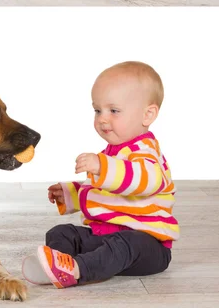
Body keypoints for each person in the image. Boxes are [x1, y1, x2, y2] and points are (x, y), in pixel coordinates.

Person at [22, 61, 179, 288]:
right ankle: (59, 264)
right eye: (98, 110)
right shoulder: (110, 155)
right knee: (61, 232)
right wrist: (70, 193)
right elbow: (102, 192)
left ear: (148, 114)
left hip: (148, 246)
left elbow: (144, 181)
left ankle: (78, 270)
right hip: (104, 235)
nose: (103, 118)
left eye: (114, 111)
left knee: (124, 244)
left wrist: (102, 167)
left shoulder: (145, 152)